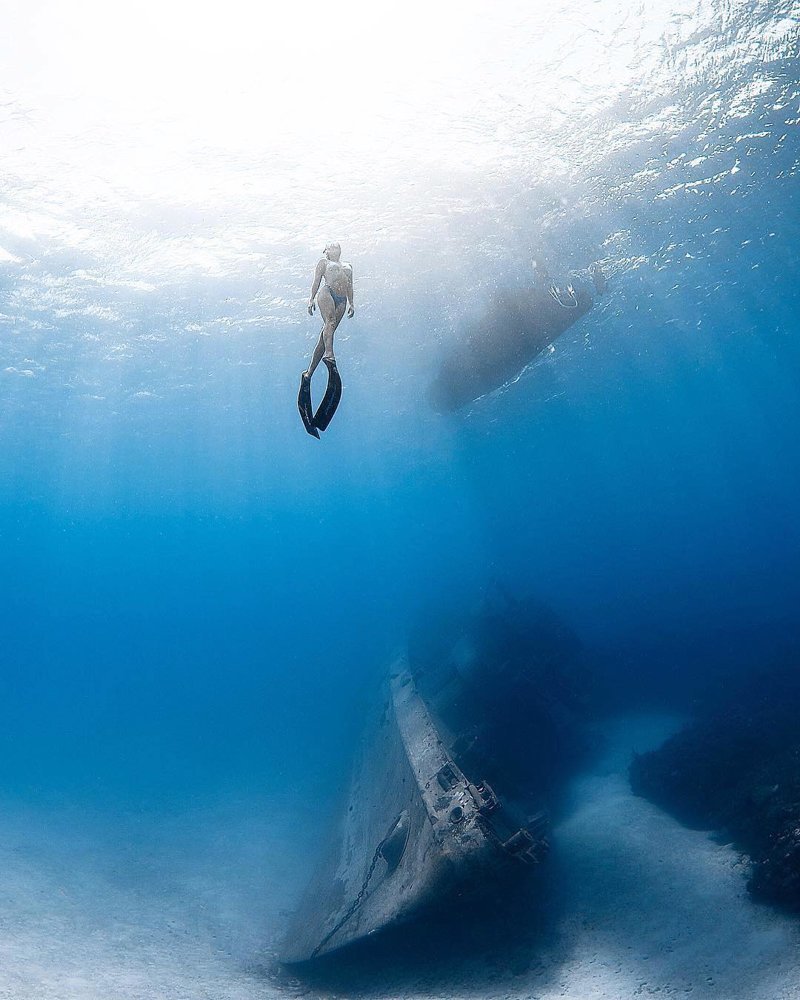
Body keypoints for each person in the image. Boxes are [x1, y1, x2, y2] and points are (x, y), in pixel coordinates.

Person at [298, 243, 354, 437]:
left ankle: (308, 373)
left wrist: (352, 303)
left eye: (337, 246)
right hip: (327, 292)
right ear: (326, 250)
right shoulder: (324, 262)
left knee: (327, 333)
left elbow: (350, 285)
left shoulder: (348, 265)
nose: (335, 248)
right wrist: (311, 299)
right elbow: (316, 281)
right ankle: (329, 356)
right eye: (331, 247)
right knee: (328, 323)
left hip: (342, 299)